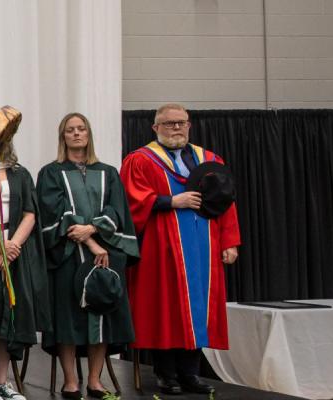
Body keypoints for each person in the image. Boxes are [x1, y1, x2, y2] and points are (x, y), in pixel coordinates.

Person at [121, 103, 240, 396]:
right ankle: (166, 375)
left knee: (198, 307)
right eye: (169, 123)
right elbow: (129, 201)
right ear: (155, 128)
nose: (176, 128)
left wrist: (230, 241)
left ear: (189, 125)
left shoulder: (209, 159)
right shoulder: (141, 160)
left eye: (181, 123)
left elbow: (226, 203)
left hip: (203, 247)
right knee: (166, 307)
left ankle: (191, 374)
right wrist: (171, 201)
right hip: (161, 246)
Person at [37, 112, 139, 399]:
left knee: (102, 314)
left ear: (88, 134)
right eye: (70, 130)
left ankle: (95, 380)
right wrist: (89, 241)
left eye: (81, 128)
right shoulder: (51, 172)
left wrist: (93, 229)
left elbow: (117, 209)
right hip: (68, 255)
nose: (77, 133)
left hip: (105, 255)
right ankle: (71, 381)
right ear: (63, 136)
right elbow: (54, 210)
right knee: (67, 317)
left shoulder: (108, 171)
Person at [0, 136, 48, 400]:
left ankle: (2, 382)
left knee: (7, 320)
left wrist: (11, 247)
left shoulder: (19, 173)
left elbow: (30, 213)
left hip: (14, 252)